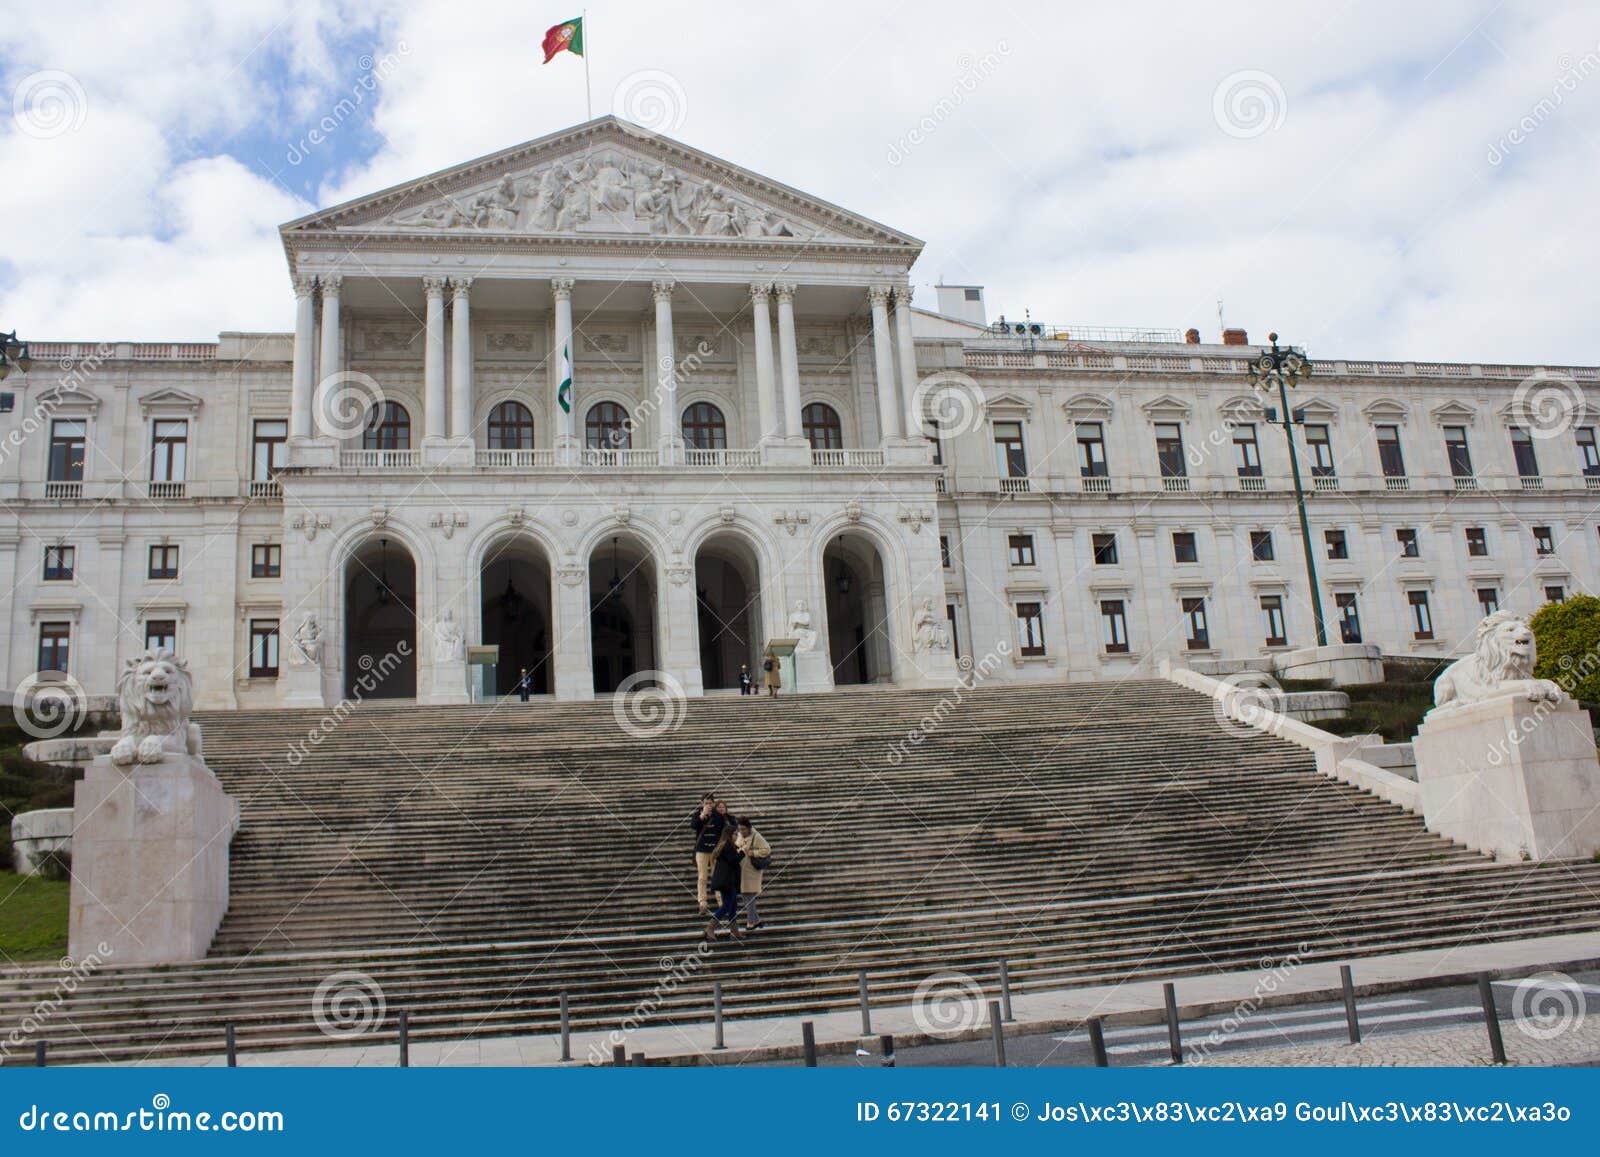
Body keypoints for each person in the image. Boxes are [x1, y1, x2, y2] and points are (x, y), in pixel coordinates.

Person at [689, 794, 727, 915]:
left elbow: (723, 831)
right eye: (706, 803)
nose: (708, 805)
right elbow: (694, 826)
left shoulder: (718, 816)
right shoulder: (697, 814)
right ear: (702, 804)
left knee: (717, 876)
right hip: (702, 850)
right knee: (702, 876)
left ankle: (721, 901)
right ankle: (702, 902)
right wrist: (702, 815)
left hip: (715, 851)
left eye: (710, 803)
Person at [706, 820, 745, 939]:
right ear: (730, 835)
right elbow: (733, 860)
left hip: (728, 881)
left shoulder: (726, 845)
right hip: (726, 881)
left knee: (732, 905)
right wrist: (742, 852)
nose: (737, 836)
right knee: (727, 906)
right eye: (735, 834)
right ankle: (710, 927)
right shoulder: (727, 846)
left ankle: (734, 931)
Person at [734, 817, 770, 931]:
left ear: (749, 828)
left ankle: (751, 922)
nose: (742, 831)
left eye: (744, 829)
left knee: (748, 895)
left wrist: (753, 853)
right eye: (740, 829)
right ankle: (756, 920)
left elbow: (767, 849)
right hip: (742, 869)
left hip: (752, 870)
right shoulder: (740, 835)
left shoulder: (756, 836)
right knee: (746, 895)